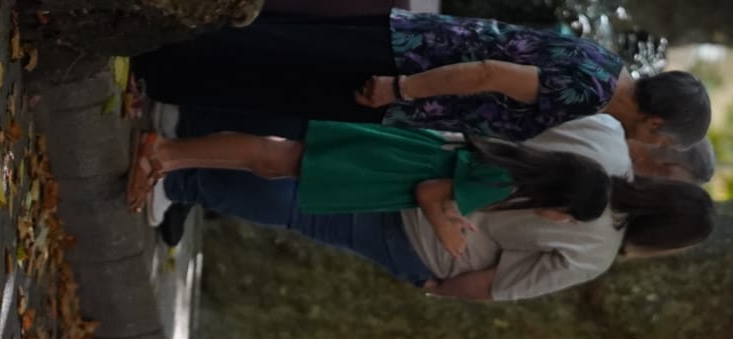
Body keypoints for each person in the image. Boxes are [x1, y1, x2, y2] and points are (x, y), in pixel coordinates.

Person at [153, 112, 713, 301]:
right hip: (430, 244)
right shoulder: (596, 252)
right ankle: (183, 181)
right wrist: (437, 288)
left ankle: (188, 142)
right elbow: (494, 285)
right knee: (299, 207)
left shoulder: (606, 136)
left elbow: (519, 122)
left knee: (303, 155)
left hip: (438, 154)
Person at [133, 11, 711, 148]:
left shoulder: (604, 63)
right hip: (403, 73)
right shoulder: (590, 92)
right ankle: (151, 43)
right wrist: (400, 90)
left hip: (410, 43)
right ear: (656, 121)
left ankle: (153, 47)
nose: (649, 144)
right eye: (660, 139)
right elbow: (491, 75)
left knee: (276, 47)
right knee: (269, 68)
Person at [125, 122, 613, 261]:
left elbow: (445, 191)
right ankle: (166, 152)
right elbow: (430, 192)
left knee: (275, 164)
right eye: (569, 215)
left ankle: (172, 158)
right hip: (380, 170)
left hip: (385, 162)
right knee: (272, 158)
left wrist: (451, 214)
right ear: (561, 197)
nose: (562, 222)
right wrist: (446, 231)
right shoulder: (507, 183)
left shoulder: (515, 169)